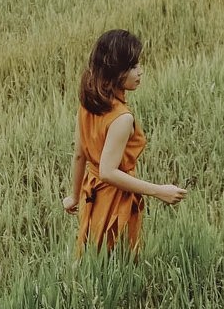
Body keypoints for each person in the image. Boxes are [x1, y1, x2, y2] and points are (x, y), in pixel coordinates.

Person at [64, 29, 187, 257]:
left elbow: (80, 154)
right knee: (118, 258)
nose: (140, 71)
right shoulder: (121, 118)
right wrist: (159, 191)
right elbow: (109, 172)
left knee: (92, 252)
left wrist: (74, 196)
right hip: (114, 197)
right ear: (115, 71)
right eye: (132, 66)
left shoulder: (89, 102)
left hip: (90, 192)